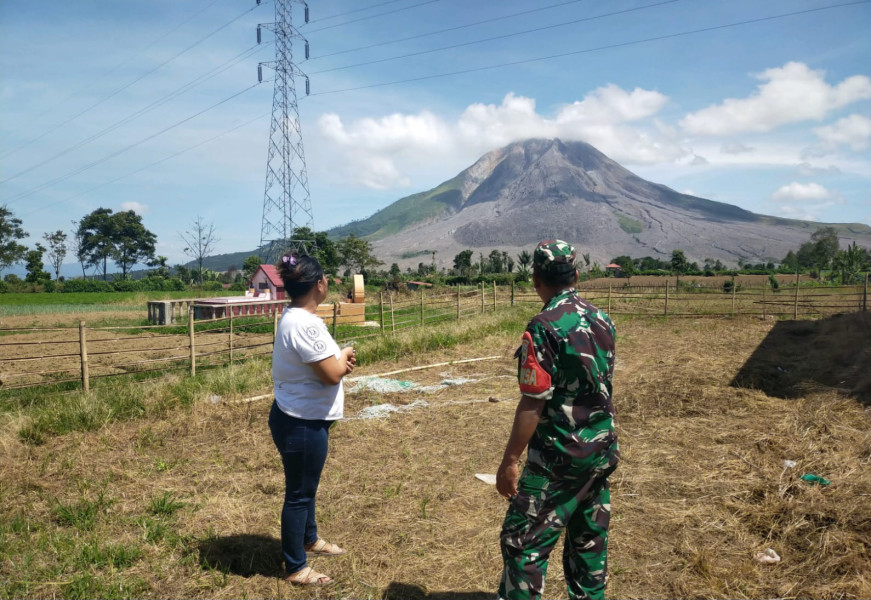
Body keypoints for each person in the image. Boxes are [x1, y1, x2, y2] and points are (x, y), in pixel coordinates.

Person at [496, 240, 619, 600]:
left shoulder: (544, 326)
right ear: (576, 276)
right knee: (589, 542)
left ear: (536, 280)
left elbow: (533, 402)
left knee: (522, 543)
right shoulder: (602, 319)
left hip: (560, 456)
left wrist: (510, 461)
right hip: (601, 450)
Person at [268, 252, 356, 586]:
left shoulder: (294, 317)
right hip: (301, 423)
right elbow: (331, 374)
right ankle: (295, 566)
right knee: (299, 494)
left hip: (297, 417)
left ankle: (310, 538)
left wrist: (336, 359)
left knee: (306, 486)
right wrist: (345, 356)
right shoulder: (305, 324)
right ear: (319, 284)